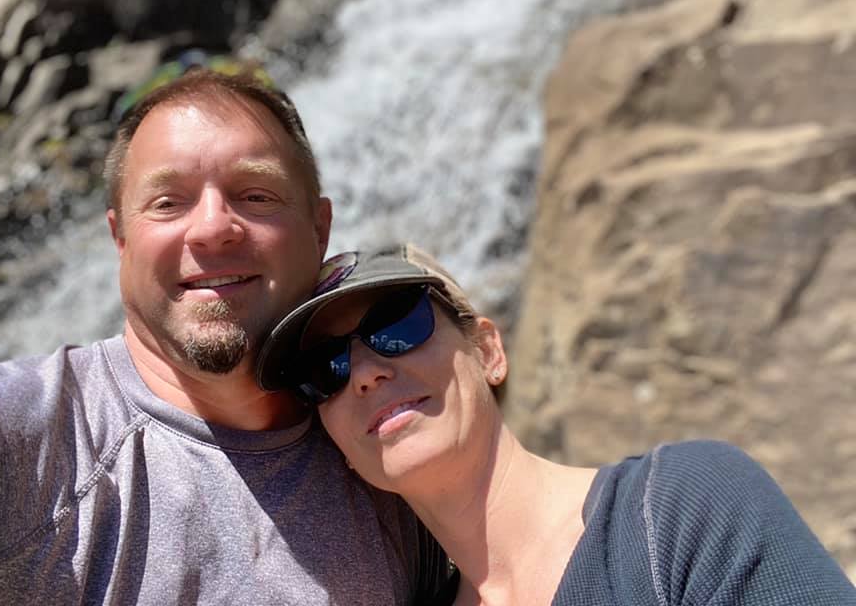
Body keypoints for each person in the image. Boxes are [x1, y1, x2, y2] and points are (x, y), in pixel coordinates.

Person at [0, 71, 448, 604]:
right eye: (168, 202)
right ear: (120, 238)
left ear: (319, 229)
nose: (212, 228)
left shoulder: (394, 463)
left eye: (256, 196)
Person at [256, 243, 856, 606]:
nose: (365, 372)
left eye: (396, 326)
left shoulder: (683, 508)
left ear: (488, 351)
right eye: (325, 368)